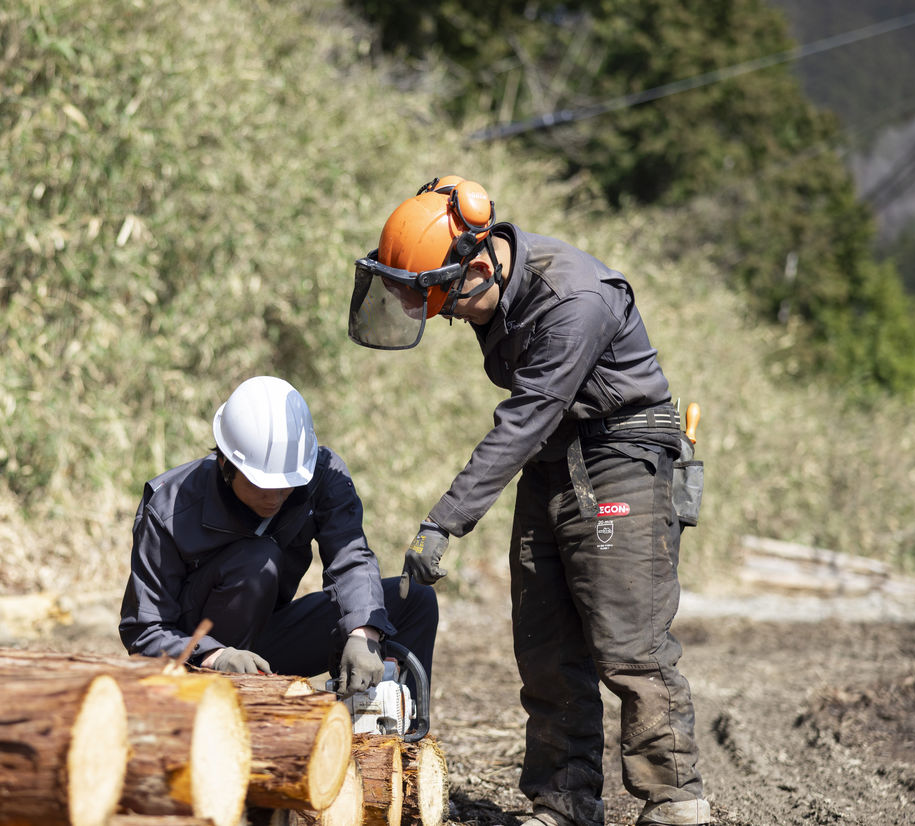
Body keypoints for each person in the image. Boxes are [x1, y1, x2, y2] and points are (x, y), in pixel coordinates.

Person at [347, 176, 710, 826]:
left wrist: (443, 523)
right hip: (552, 456)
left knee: (627, 641)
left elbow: (523, 420)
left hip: (621, 454)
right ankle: (565, 803)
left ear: (479, 266)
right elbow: (535, 427)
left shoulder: (576, 298)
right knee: (544, 643)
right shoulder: (493, 285)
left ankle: (675, 797)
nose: (449, 316)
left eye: (445, 303)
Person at [119, 375, 438, 698]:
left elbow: (351, 559)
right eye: (259, 485)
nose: (273, 498)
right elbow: (144, 630)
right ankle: (231, 708)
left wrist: (364, 632)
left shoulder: (322, 476)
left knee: (414, 601)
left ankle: (394, 734)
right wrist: (215, 656)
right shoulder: (169, 506)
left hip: (266, 644)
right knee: (258, 561)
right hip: (198, 662)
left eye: (285, 485)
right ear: (225, 463)